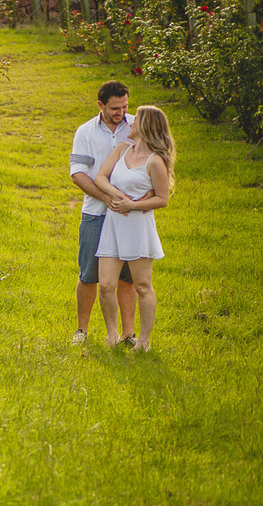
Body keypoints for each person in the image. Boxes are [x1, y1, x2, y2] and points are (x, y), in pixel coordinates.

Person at [93, 105, 175, 352]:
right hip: (113, 225)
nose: (130, 123)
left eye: (135, 119)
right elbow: (100, 178)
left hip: (138, 228)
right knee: (106, 285)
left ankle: (144, 342)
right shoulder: (121, 149)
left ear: (146, 126)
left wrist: (133, 204)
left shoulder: (155, 161)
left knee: (142, 286)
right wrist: (118, 195)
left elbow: (162, 199)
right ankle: (112, 335)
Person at [68, 81, 139, 346]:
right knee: (89, 274)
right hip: (95, 212)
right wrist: (107, 198)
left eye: (125, 106)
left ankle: (128, 334)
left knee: (127, 276)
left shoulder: (136, 127)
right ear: (100, 105)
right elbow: (78, 174)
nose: (121, 112)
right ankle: (81, 331)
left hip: (129, 214)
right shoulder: (85, 131)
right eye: (115, 108)